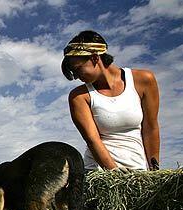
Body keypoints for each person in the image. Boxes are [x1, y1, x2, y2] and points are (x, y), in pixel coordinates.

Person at [62, 30, 161, 171]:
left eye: (78, 69)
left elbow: (150, 128)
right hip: (100, 172)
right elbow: (92, 139)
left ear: (95, 58)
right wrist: (112, 170)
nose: (77, 76)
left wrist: (154, 170)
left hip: (138, 170)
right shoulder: (79, 96)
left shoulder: (144, 80)